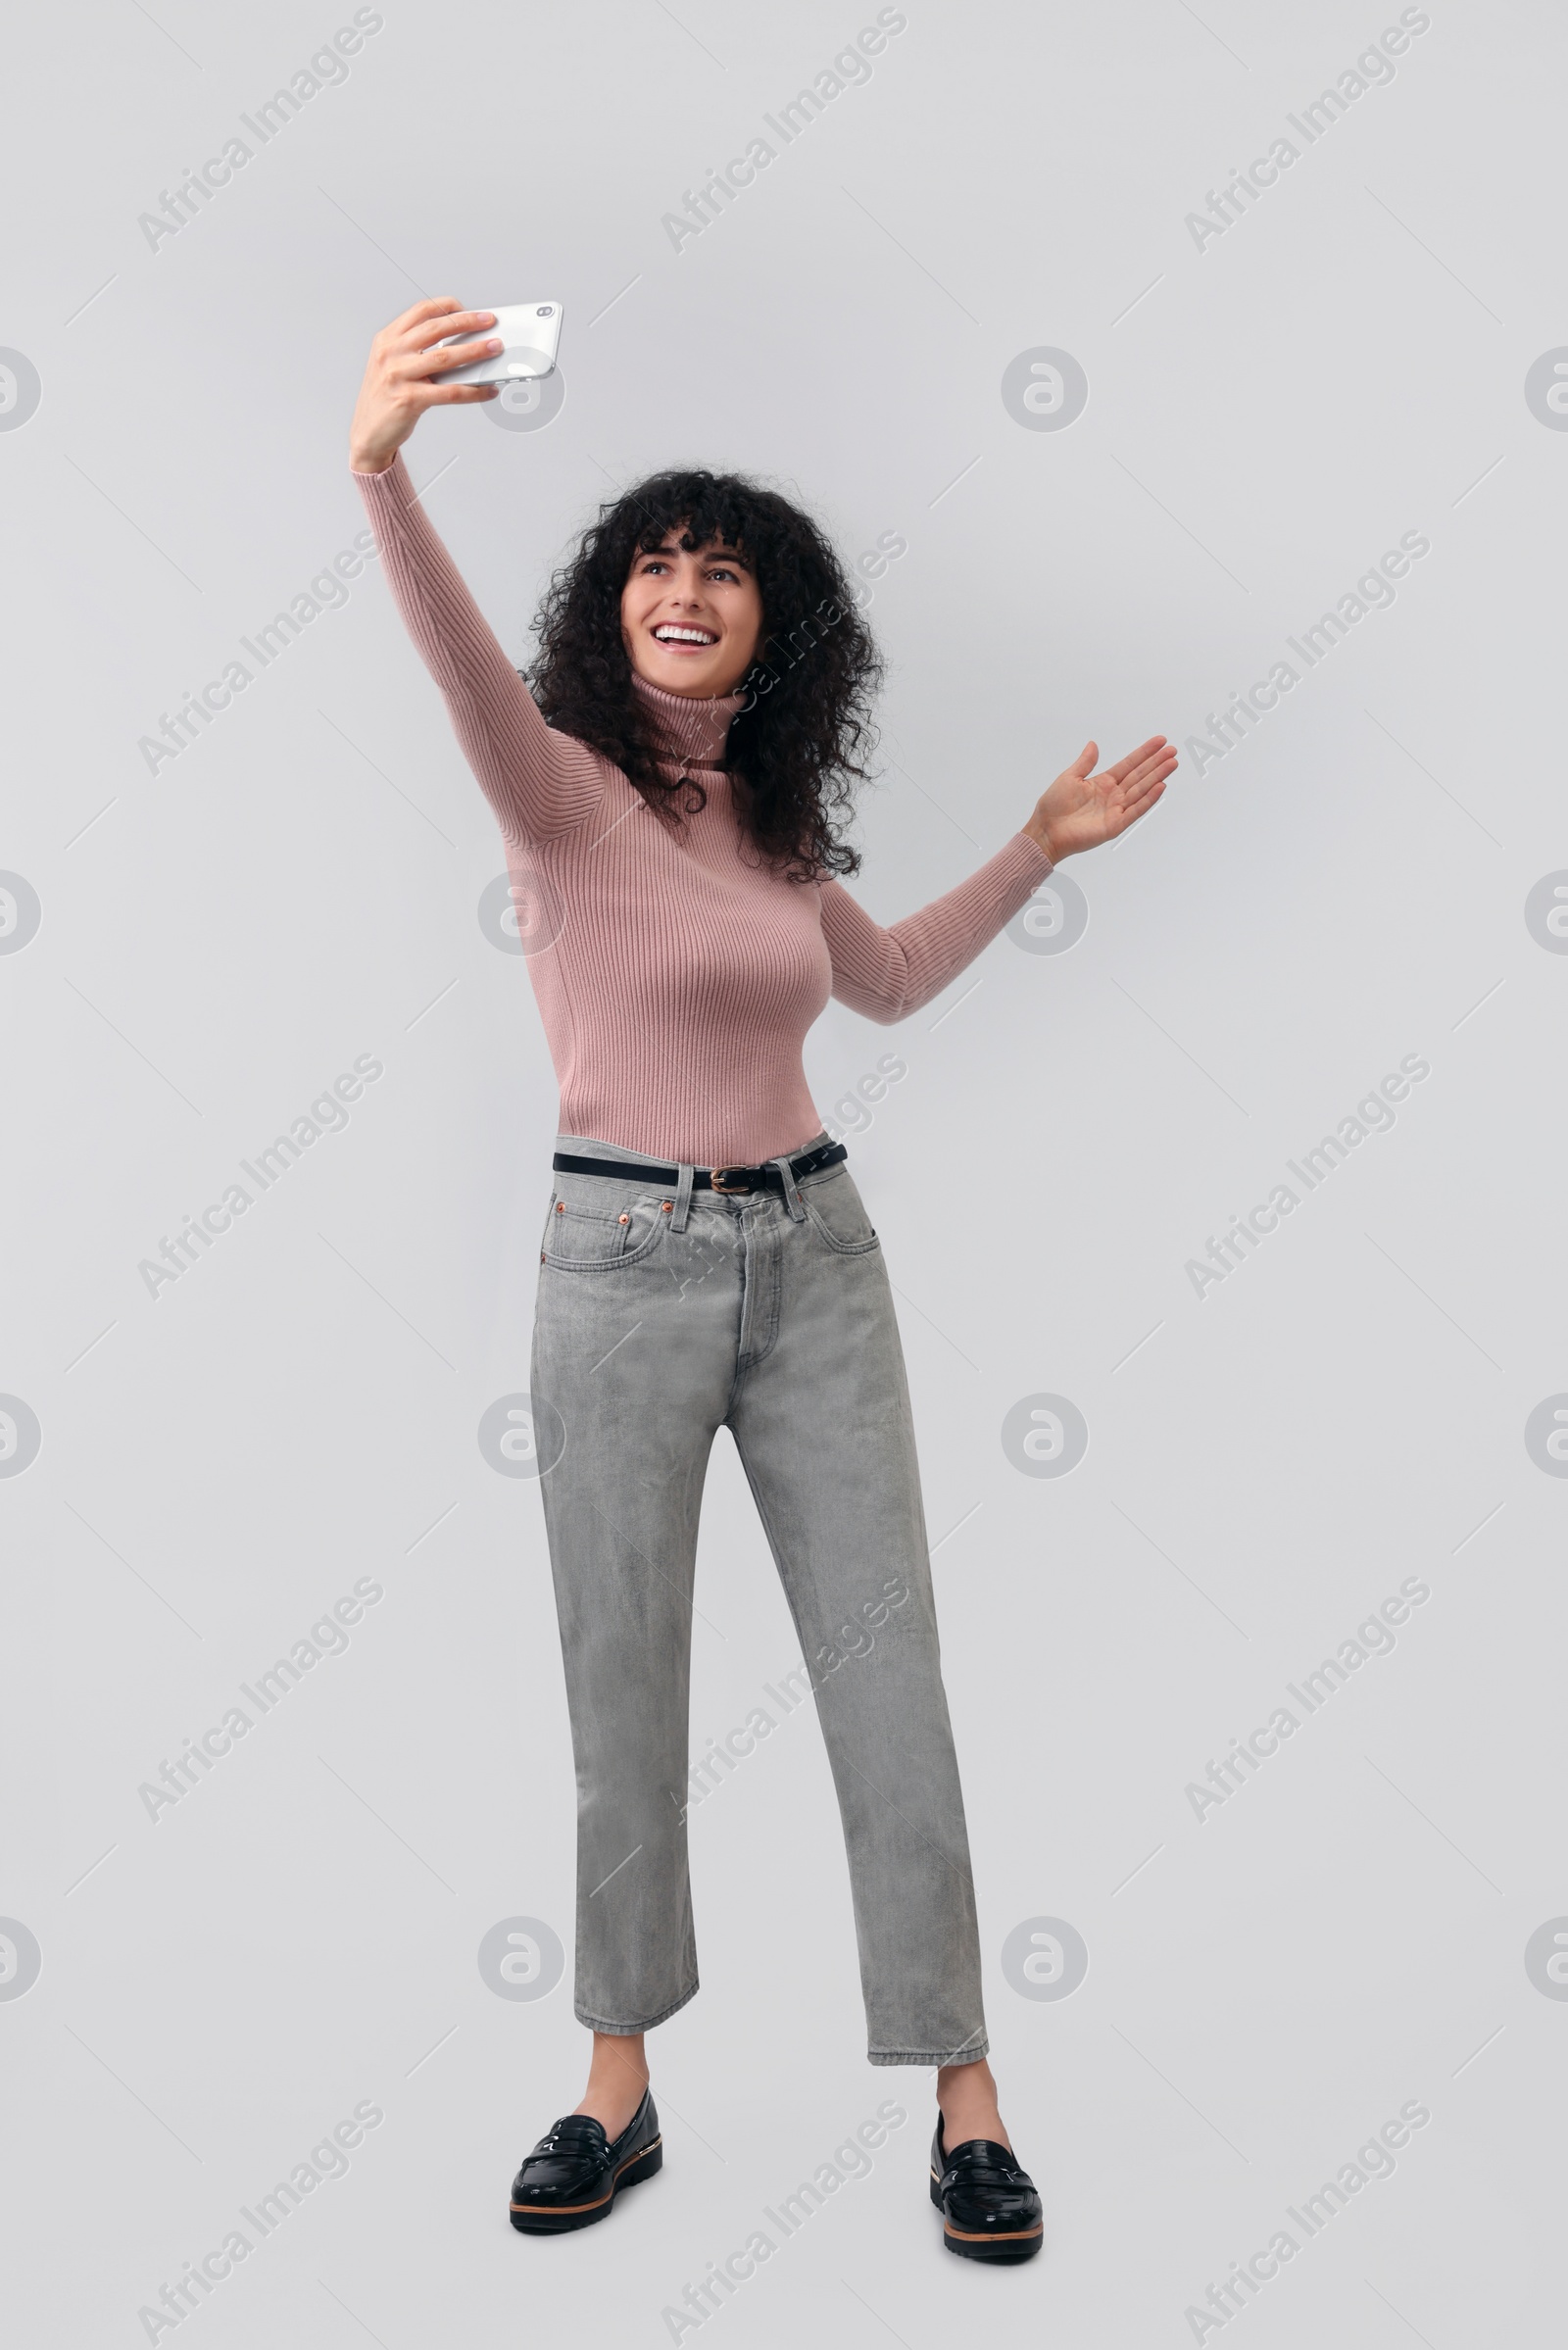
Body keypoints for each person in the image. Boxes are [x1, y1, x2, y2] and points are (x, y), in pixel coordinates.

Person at [349, 298, 1174, 2261]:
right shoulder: (558, 788)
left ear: (768, 617)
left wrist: (1036, 845)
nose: (685, 584)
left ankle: (965, 2094)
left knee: (889, 1672)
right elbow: (452, 661)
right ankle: (612, 2081)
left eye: (722, 565)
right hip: (613, 1266)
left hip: (817, 1260)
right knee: (619, 1682)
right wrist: (379, 465)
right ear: (612, 610)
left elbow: (878, 986)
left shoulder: (775, 828)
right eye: (654, 559)